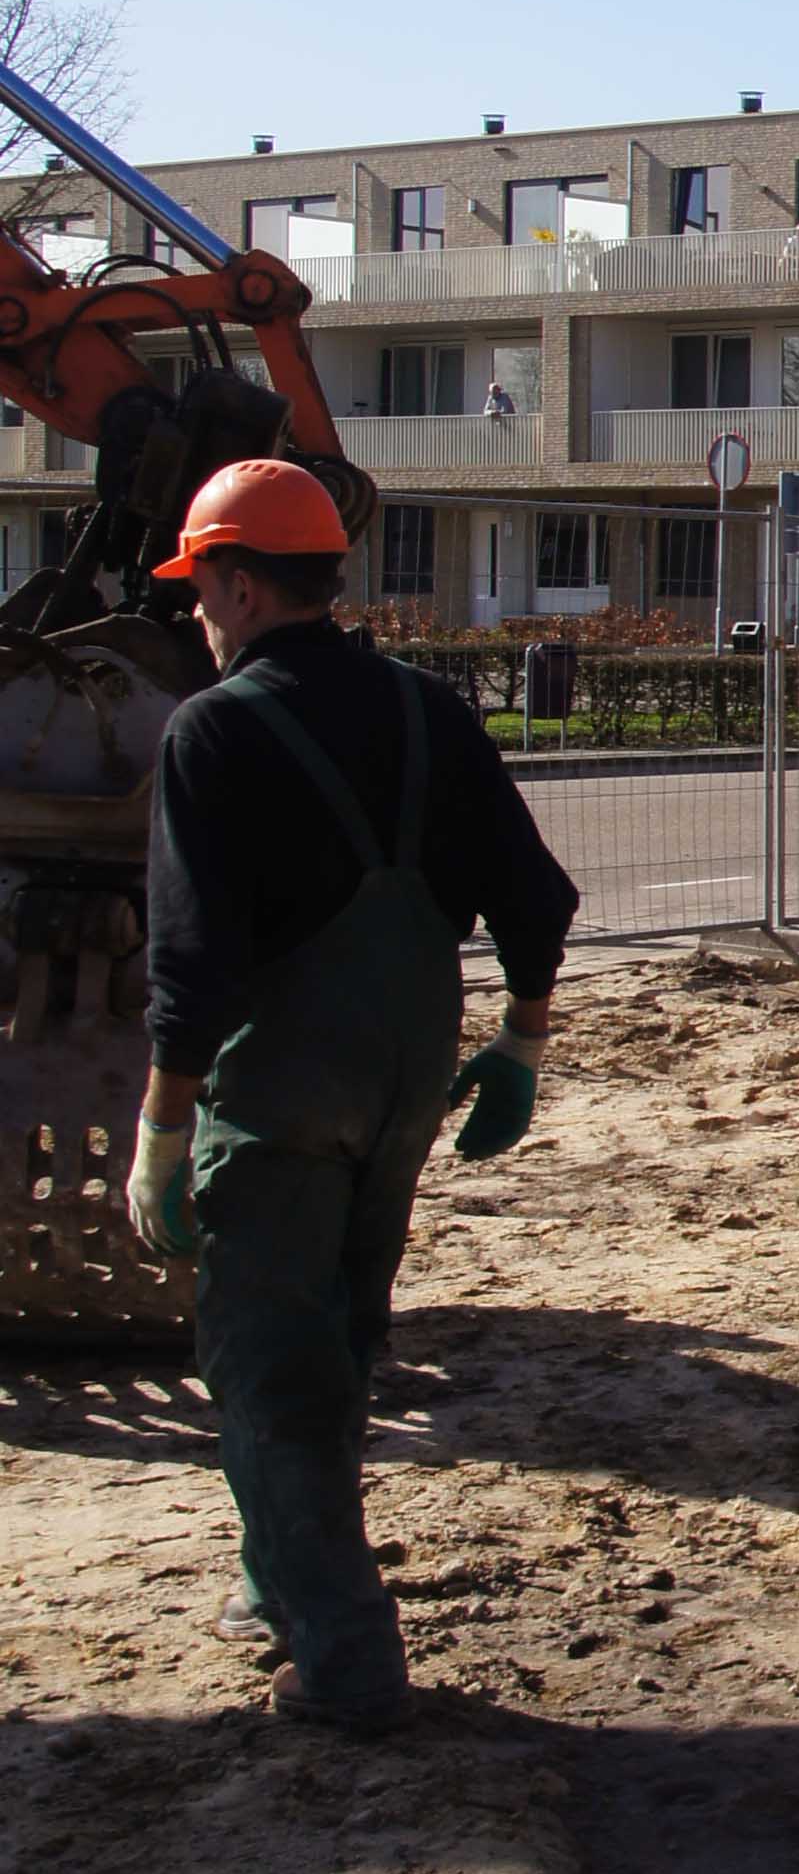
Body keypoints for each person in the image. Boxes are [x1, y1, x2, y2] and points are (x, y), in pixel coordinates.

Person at [124, 456, 580, 1736]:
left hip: (283, 1084)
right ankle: (279, 1583)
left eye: (200, 588)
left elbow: (193, 962)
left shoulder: (210, 731)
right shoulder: (430, 711)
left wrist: (162, 1132)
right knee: (338, 1327)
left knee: (265, 1360)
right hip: (407, 1077)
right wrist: (524, 1044)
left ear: (239, 580)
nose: (195, 615)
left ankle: (344, 1660)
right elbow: (535, 898)